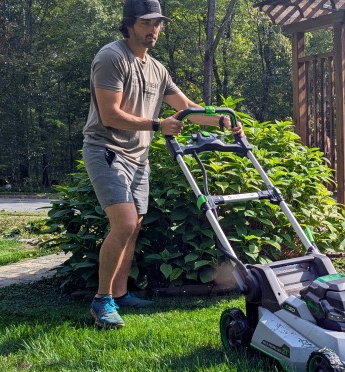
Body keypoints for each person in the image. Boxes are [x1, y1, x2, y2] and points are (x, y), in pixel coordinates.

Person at [82, 0, 243, 329]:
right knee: (124, 223)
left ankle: (121, 293)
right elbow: (110, 114)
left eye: (158, 23)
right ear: (130, 24)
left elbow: (184, 106)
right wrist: (158, 125)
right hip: (106, 149)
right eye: (147, 23)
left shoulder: (157, 68)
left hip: (138, 156)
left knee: (135, 226)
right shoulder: (111, 57)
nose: (154, 29)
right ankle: (102, 301)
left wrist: (222, 121)